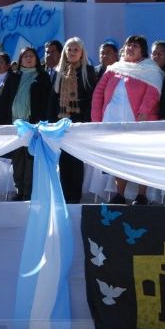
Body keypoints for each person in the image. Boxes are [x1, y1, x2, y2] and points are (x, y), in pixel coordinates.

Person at [91, 35, 163, 206]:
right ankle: (120, 194)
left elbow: (153, 92)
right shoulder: (114, 68)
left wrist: (144, 112)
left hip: (138, 122)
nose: (130, 48)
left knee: (140, 158)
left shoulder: (150, 69)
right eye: (128, 45)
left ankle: (141, 195)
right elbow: (98, 93)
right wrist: (96, 119)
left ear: (143, 51)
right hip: (112, 121)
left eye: (135, 46)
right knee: (118, 158)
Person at [0, 46, 51, 201]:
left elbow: (46, 102)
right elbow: (4, 101)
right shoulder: (13, 76)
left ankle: (29, 192)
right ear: (20, 60)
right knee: (18, 160)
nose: (28, 58)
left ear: (36, 59)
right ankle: (20, 190)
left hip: (33, 127)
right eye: (25, 56)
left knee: (30, 159)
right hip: (15, 126)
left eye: (31, 56)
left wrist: (43, 124)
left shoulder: (43, 76)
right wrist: (1, 123)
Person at [48, 37, 98, 204]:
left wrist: (84, 122)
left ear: (82, 52)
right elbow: (52, 100)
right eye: (69, 49)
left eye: (76, 49)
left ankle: (75, 199)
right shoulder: (57, 72)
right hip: (60, 122)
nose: (72, 52)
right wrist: (51, 123)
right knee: (63, 161)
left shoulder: (89, 71)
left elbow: (92, 99)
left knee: (76, 161)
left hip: (79, 123)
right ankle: (64, 198)